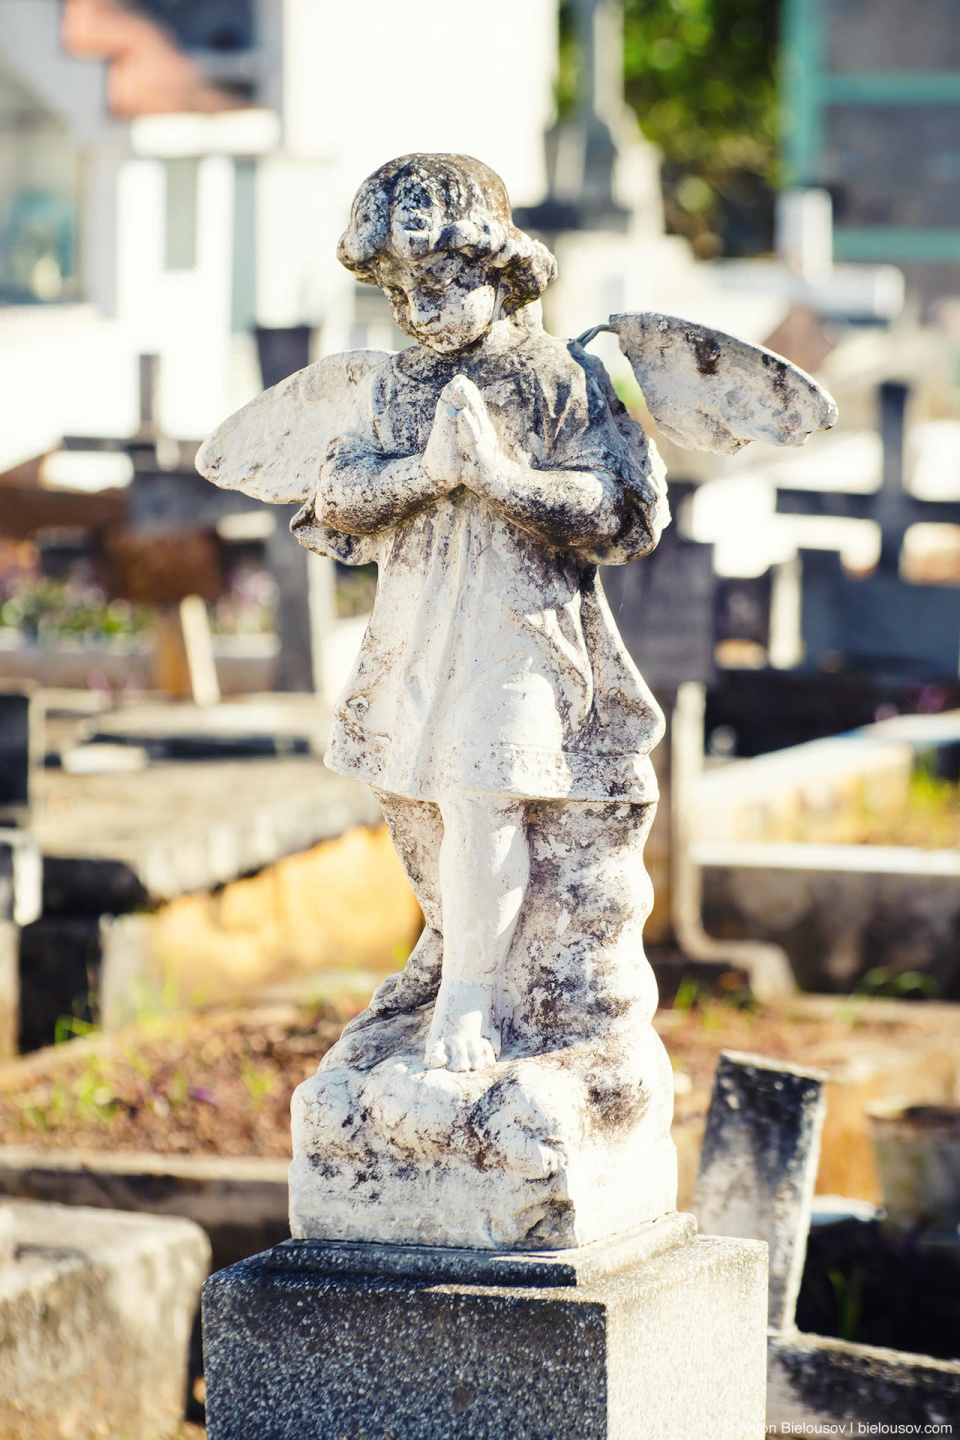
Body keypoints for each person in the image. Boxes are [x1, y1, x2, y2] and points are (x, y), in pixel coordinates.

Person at [293, 152, 669, 1074]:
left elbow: (618, 511)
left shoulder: (557, 377)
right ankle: (454, 946)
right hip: (414, 635)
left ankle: (472, 999)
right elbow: (336, 496)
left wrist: (500, 481)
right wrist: (428, 472)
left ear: (499, 268)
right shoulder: (396, 384)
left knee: (483, 798)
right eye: (396, 293)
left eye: (439, 282)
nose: (418, 311)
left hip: (524, 637)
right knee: (414, 799)